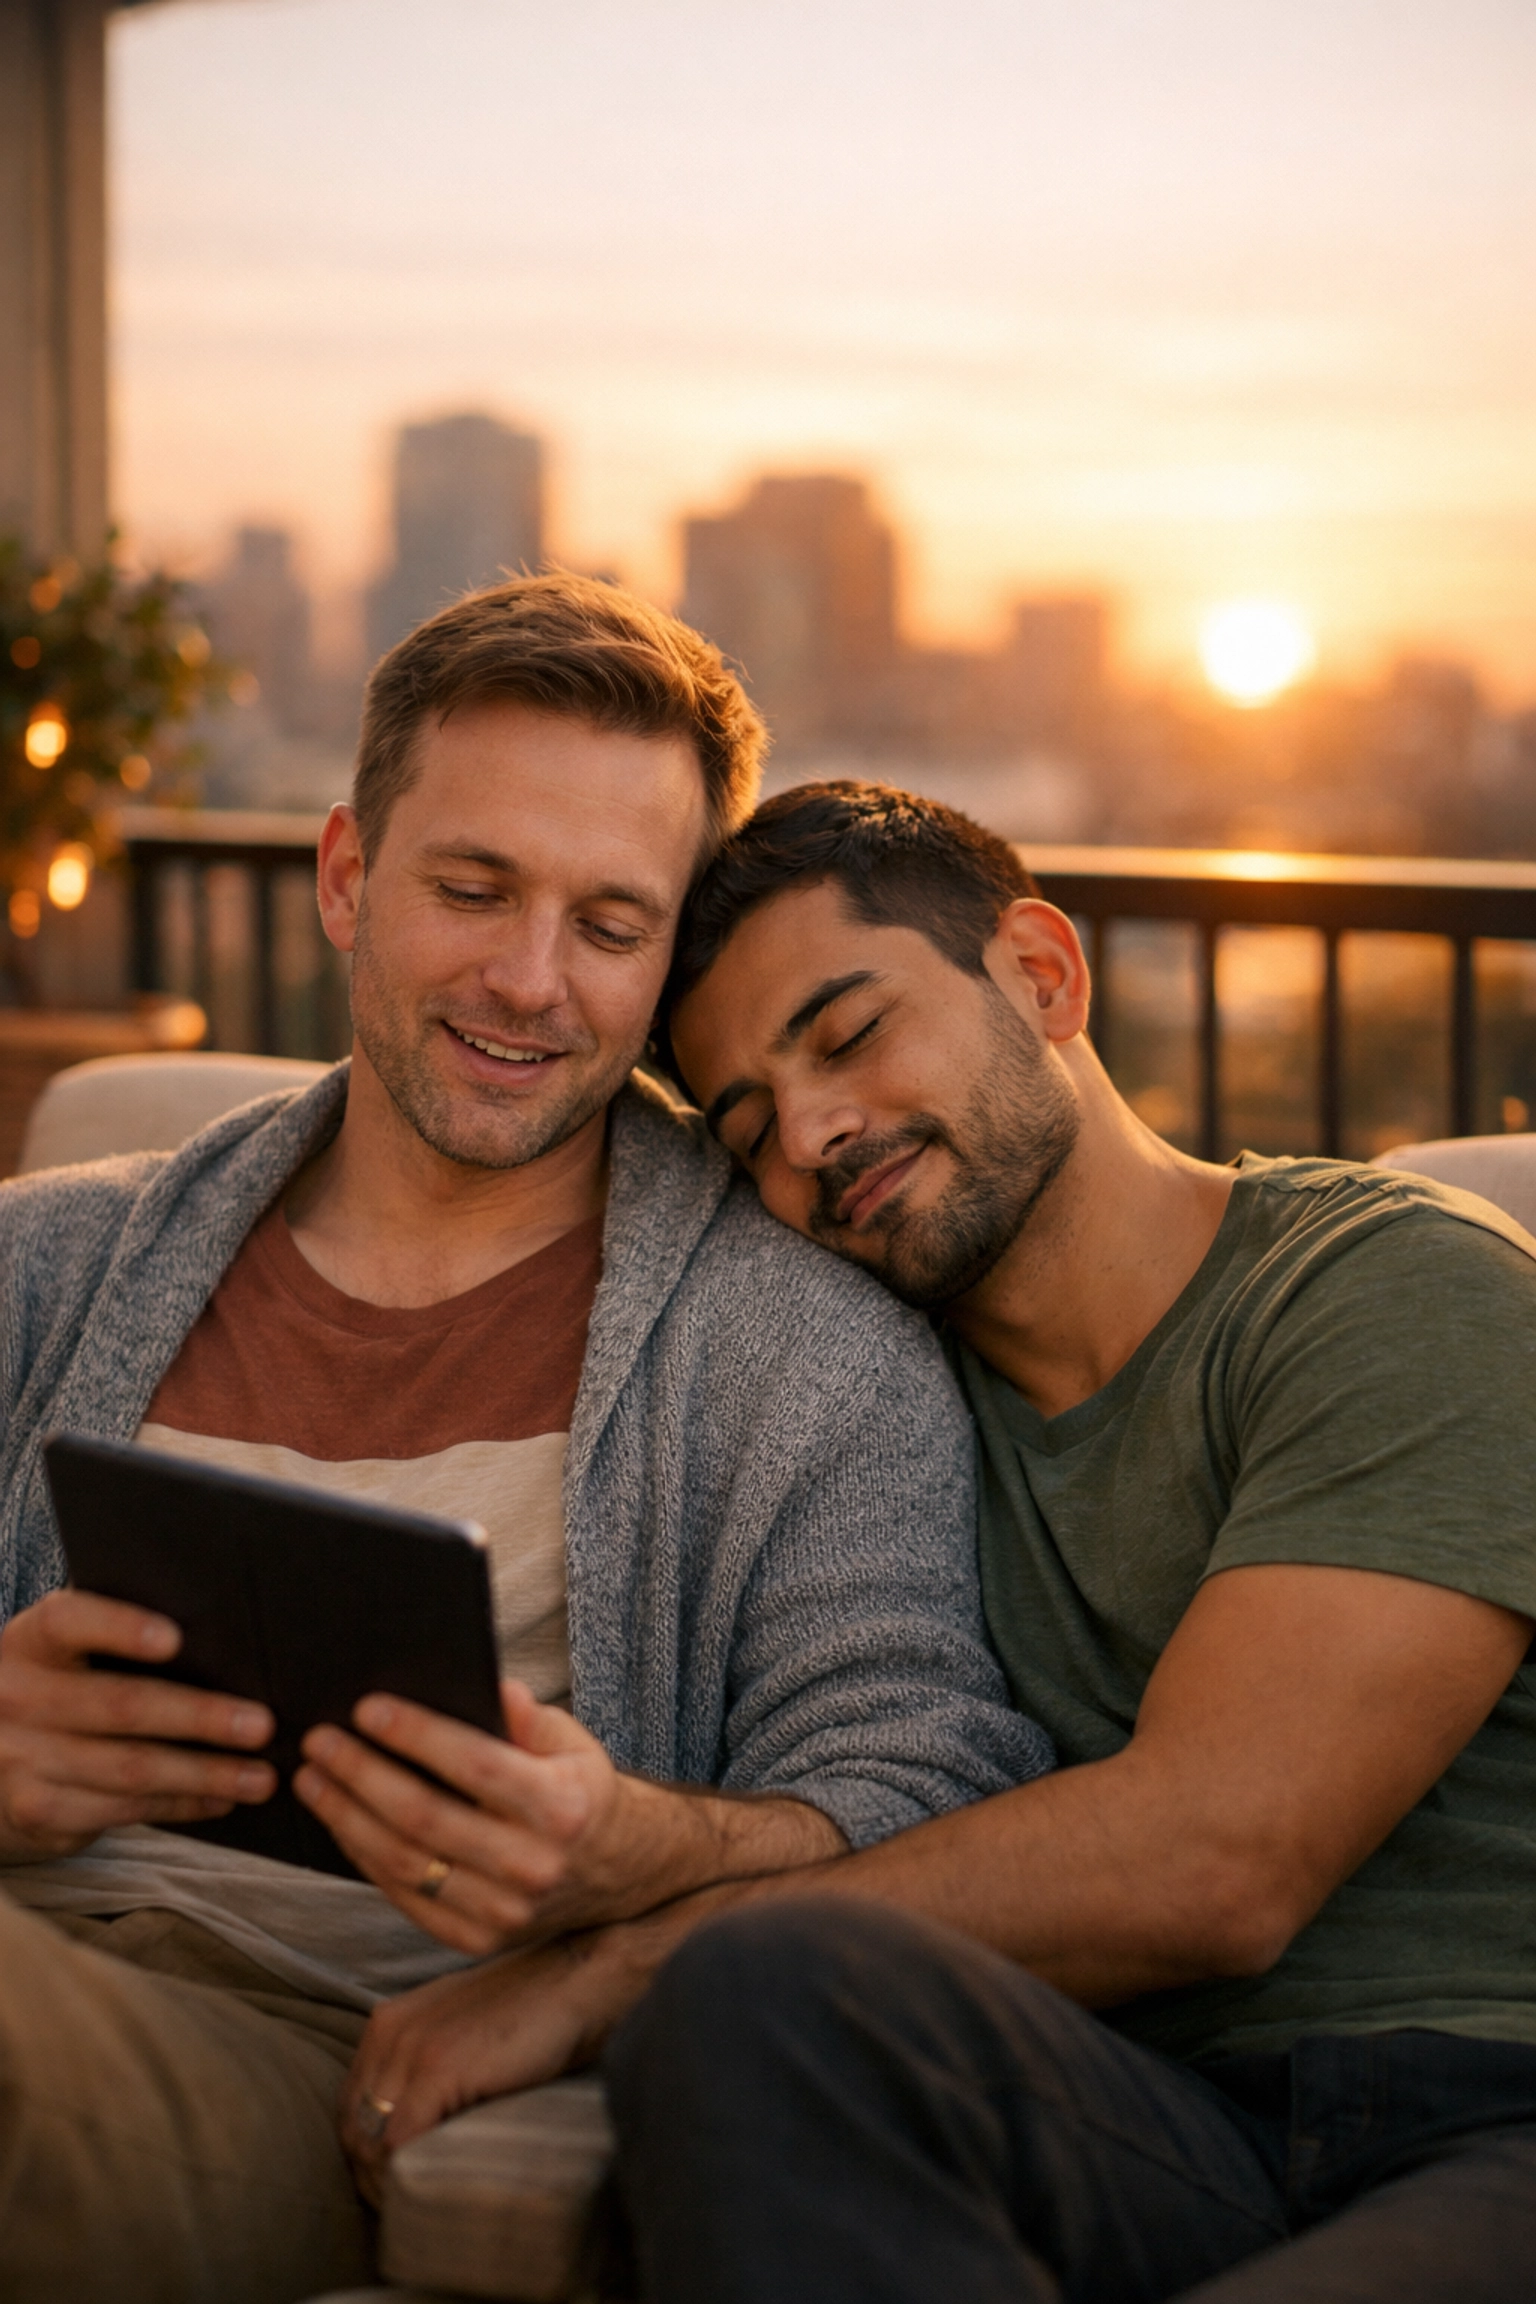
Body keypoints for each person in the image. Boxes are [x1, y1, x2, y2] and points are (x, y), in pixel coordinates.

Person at [0, 628, 1045, 2304]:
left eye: (610, 925)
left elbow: (931, 1797)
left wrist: (632, 1851)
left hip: (303, 2062)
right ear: (347, 876)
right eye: (473, 890)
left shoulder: (802, 1360)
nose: (530, 981)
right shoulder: (40, 1270)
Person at [544, 776, 1536, 2302]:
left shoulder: (1393, 1289)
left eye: (850, 1034)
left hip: (1486, 2103)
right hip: (1151, 2127)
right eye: (746, 1127)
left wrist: (615, 1972)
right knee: (756, 2003)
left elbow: (1223, 1859)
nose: (809, 1132)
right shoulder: (872, 1417)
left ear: (1044, 974)